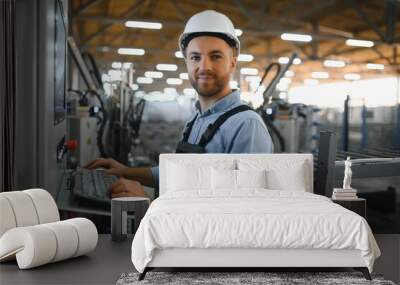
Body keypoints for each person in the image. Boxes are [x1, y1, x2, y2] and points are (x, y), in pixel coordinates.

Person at [86, 10, 273, 198]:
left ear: (232, 62)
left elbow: (243, 210)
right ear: (187, 62)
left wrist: (149, 204)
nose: (204, 66)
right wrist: (124, 171)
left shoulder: (247, 126)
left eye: (216, 56)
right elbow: (178, 175)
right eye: (195, 57)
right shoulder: (196, 119)